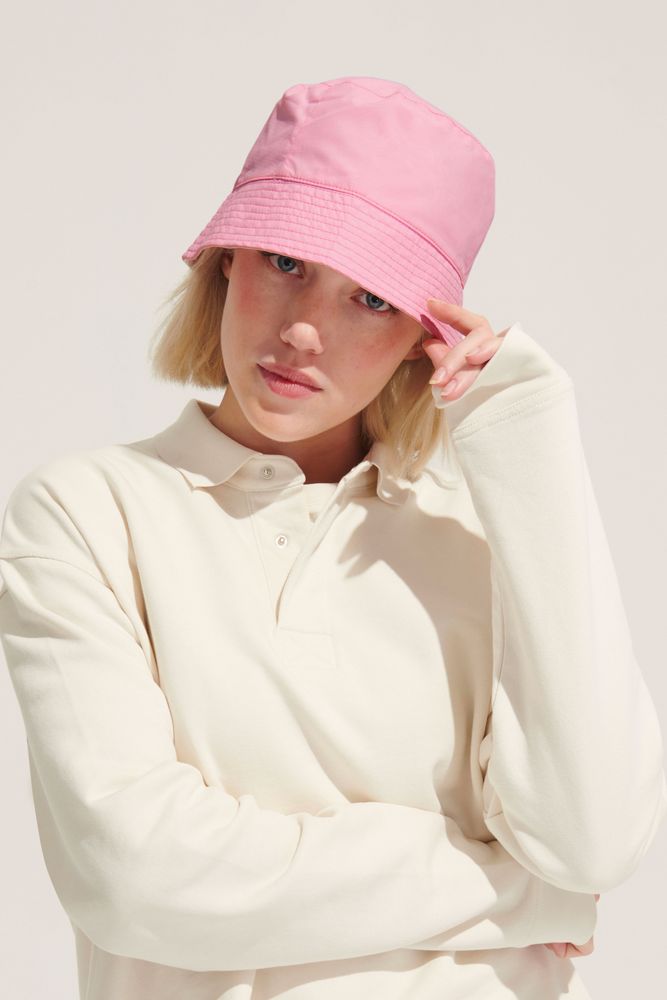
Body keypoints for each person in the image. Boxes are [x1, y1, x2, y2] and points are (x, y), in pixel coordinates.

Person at [0, 75, 664, 1000]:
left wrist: (528, 439)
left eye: (373, 299)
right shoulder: (88, 513)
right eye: (285, 262)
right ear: (225, 261)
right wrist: (521, 893)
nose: (306, 329)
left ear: (420, 339)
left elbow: (590, 841)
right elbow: (134, 875)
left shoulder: (479, 536)